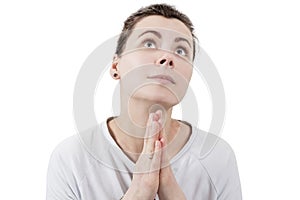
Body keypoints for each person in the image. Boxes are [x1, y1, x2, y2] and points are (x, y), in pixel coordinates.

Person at [46, 3, 242, 200]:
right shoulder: (72, 158)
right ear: (116, 66)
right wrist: (140, 190)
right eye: (149, 43)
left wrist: (170, 191)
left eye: (181, 51)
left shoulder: (217, 157)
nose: (167, 58)